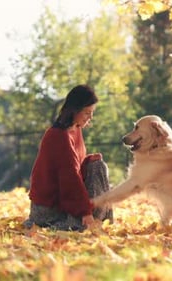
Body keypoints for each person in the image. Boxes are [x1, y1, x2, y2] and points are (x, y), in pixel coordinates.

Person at [23, 85, 113, 231]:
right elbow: (69, 177)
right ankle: (83, 222)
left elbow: (76, 168)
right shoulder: (58, 135)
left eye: (92, 113)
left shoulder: (75, 129)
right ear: (74, 110)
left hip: (62, 202)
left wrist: (90, 161)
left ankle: (97, 219)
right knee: (97, 167)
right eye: (86, 113)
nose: (90, 118)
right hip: (47, 210)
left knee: (98, 165)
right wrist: (85, 212)